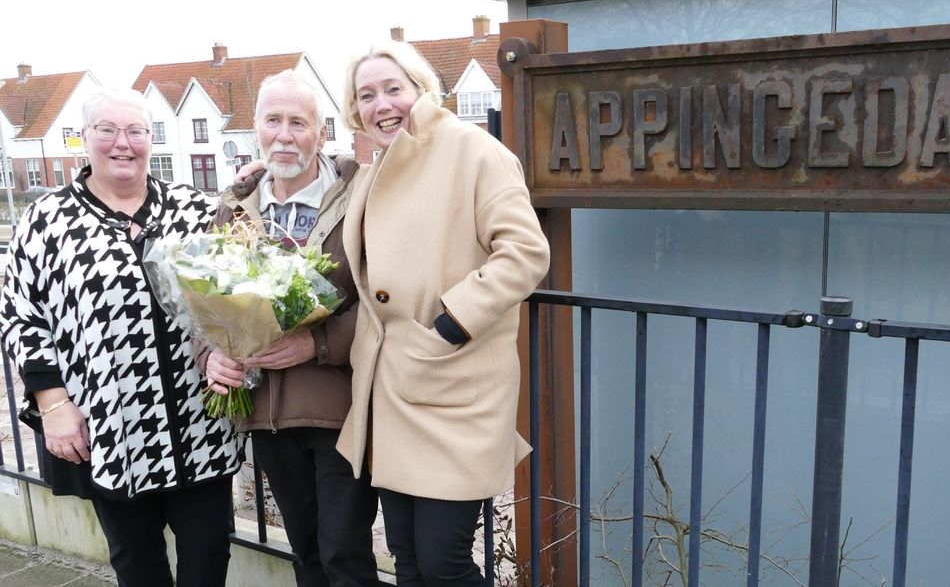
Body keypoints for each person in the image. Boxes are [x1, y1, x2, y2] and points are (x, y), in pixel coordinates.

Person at [0, 88, 241, 586]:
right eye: (107, 130)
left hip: (200, 426)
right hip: (113, 429)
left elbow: (237, 290)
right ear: (85, 139)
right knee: (137, 563)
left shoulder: (193, 209)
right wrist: (53, 404)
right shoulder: (48, 221)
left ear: (150, 140)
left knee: (209, 557)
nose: (122, 143)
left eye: (135, 131)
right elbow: (21, 317)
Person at [336, 41, 550, 586]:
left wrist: (451, 324)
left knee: (443, 562)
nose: (382, 104)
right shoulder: (375, 165)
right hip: (390, 391)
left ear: (420, 88)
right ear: (353, 108)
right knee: (407, 560)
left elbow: (526, 253)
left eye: (393, 88)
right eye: (367, 95)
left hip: (453, 386)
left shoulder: (472, 150)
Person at [202, 69, 379, 587]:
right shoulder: (236, 207)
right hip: (267, 416)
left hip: (338, 409)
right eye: (273, 120)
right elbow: (208, 303)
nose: (284, 134)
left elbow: (384, 299)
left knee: (345, 555)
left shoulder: (360, 198)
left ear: (320, 134)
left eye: (298, 123)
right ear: (255, 129)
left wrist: (318, 342)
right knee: (305, 554)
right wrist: (209, 357)